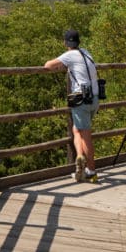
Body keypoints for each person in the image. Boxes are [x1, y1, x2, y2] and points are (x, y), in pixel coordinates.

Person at [44, 29, 99, 182]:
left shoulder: (69, 55)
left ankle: (92, 171)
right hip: (94, 98)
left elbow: (48, 65)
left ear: (65, 43)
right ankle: (80, 160)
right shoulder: (86, 52)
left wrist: (61, 66)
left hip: (81, 100)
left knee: (86, 135)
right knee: (77, 130)